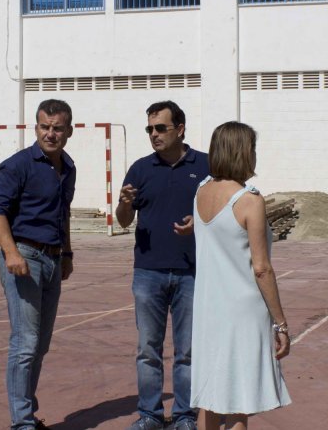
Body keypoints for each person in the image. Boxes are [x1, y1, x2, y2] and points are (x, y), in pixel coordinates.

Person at [190, 121, 291, 430]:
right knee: (239, 403)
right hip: (242, 311)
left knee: (210, 396)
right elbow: (261, 268)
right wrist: (281, 322)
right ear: (243, 152)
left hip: (208, 309)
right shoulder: (249, 200)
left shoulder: (201, 190)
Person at [116, 101, 209, 430]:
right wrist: (125, 205)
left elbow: (222, 214)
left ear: (180, 129)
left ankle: (185, 417)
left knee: (187, 351)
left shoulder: (207, 166)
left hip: (192, 272)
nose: (154, 135)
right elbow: (124, 221)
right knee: (147, 350)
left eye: (160, 128)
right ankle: (150, 416)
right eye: (149, 129)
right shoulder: (140, 169)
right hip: (148, 272)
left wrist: (199, 226)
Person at [0, 99, 77, 430]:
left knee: (40, 344)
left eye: (57, 128)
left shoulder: (68, 167)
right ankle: (21, 422)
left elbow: (62, 214)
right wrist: (12, 253)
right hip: (24, 258)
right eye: (44, 127)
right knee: (25, 343)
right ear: (35, 127)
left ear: (69, 130)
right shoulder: (18, 165)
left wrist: (66, 254)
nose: (50, 134)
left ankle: (26, 410)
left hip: (53, 259)